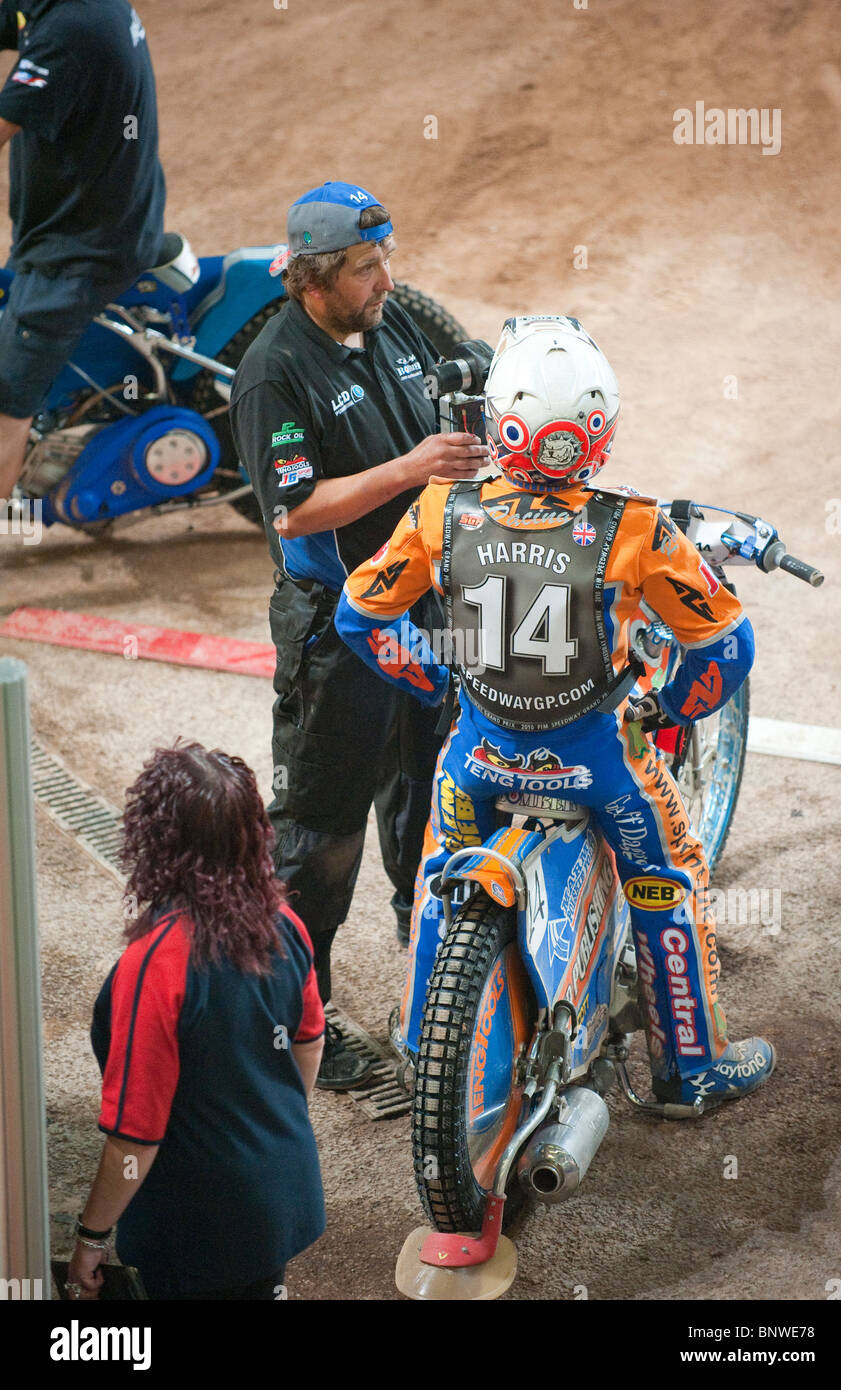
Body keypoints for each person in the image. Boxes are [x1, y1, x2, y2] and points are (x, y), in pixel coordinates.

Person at [335, 314, 775, 1107]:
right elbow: (726, 647)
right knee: (666, 883)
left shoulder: (443, 511)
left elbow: (359, 614)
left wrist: (432, 678)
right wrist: (670, 700)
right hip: (602, 763)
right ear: (598, 431)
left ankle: (420, 1044)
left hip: (475, 756)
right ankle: (689, 1067)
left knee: (440, 883)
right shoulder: (635, 527)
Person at [229, 180, 487, 1089]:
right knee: (319, 833)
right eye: (366, 267)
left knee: (429, 794)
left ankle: (435, 985)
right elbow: (296, 510)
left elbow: (476, 364)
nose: (386, 279)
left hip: (425, 607)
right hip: (336, 632)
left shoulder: (390, 321)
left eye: (386, 261)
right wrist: (414, 469)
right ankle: (304, 1019)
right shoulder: (273, 369)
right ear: (312, 279)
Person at [64, 741, 326, 1301]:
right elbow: (309, 1044)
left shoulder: (156, 963)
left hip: (199, 1221)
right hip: (284, 1193)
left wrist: (90, 1238)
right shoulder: (285, 923)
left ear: (154, 840)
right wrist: (265, 1126)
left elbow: (134, 1139)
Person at [0, 0, 165, 503]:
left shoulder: (71, 30)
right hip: (96, 219)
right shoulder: (72, 6)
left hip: (81, 250)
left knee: (7, 402)